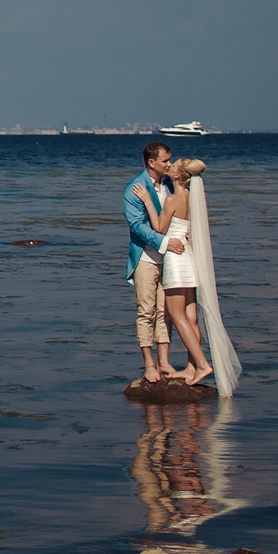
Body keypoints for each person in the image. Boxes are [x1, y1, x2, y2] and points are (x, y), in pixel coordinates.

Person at [148, 157, 216, 387]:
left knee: (177, 316)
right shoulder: (193, 199)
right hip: (190, 259)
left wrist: (148, 201)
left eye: (173, 165)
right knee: (191, 317)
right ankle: (190, 368)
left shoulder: (172, 199)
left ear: (177, 176)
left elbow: (159, 228)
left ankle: (202, 364)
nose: (169, 166)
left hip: (176, 262)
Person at [123, 142, 178, 383]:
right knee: (146, 311)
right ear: (151, 163)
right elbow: (137, 227)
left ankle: (164, 361)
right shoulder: (134, 189)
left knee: (166, 311)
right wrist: (165, 243)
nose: (169, 164)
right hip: (145, 257)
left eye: (170, 159)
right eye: (165, 160)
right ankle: (148, 364)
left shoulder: (168, 184)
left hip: (170, 259)